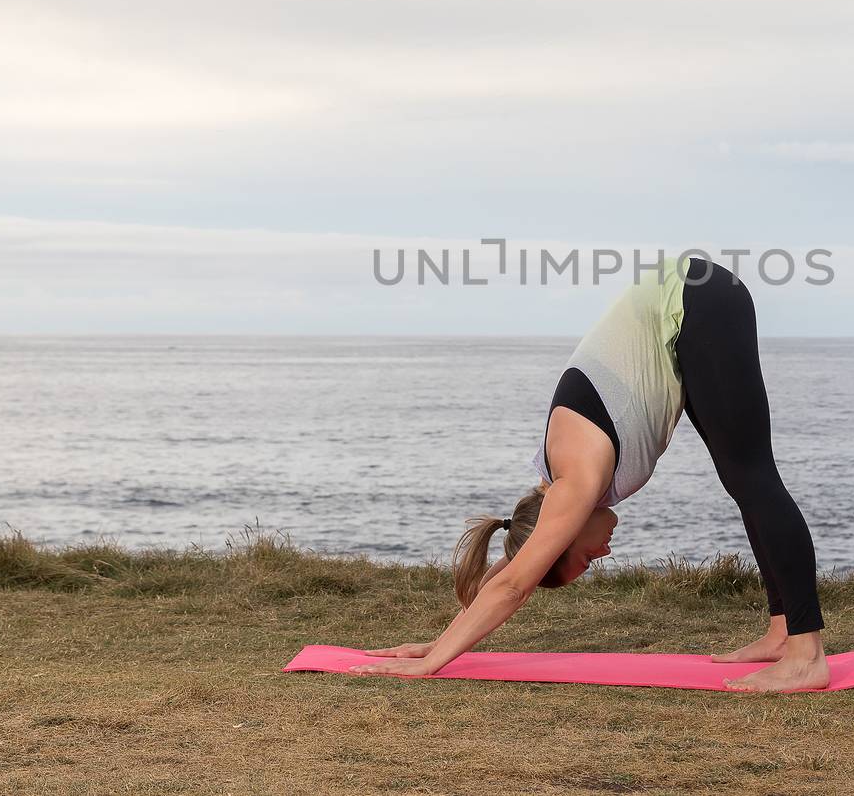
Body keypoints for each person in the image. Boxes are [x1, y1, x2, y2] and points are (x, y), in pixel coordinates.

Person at [352, 255, 828, 692]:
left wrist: (430, 664)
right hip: (691, 299)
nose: (603, 553)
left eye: (585, 558)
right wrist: (439, 644)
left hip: (694, 298)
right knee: (742, 477)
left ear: (564, 531)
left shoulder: (576, 479)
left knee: (751, 474)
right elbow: (517, 564)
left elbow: (514, 585)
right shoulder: (552, 482)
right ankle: (784, 631)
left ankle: (806, 655)